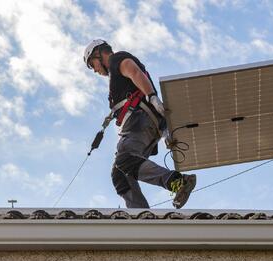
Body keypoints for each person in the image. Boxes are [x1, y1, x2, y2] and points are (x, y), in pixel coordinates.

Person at [83, 39, 197, 209]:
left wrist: (151, 96)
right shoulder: (116, 77)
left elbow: (134, 72)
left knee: (125, 158)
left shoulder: (117, 59)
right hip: (145, 125)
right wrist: (166, 132)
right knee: (120, 175)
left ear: (99, 53)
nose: (96, 70)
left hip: (138, 120)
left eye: (93, 65)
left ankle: (177, 181)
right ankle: (141, 215)